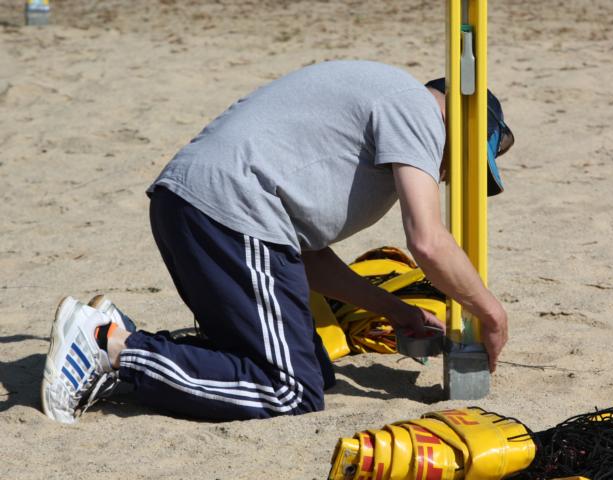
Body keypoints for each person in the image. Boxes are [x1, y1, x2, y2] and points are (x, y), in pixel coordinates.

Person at [40, 60, 510, 424]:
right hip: (230, 213)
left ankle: (117, 336)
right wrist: (491, 313)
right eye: (461, 166)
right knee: (290, 390)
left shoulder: (383, 104)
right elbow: (428, 241)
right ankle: (109, 346)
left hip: (197, 208)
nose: (446, 177)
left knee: (314, 371)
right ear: (464, 127)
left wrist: (395, 310)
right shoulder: (418, 110)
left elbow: (304, 257)